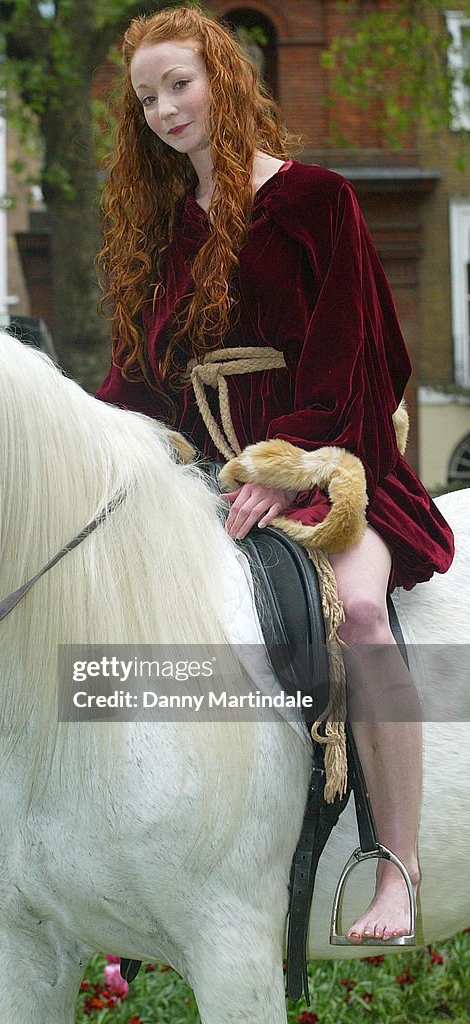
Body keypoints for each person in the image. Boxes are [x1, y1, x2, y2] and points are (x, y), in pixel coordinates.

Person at [95, 5, 454, 944]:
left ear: (222, 77)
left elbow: (348, 359)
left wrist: (290, 467)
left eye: (179, 84)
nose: (166, 108)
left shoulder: (313, 198)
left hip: (336, 463)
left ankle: (397, 870)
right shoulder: (165, 229)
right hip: (211, 476)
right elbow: (138, 376)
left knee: (363, 610)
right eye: (147, 98)